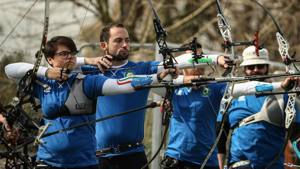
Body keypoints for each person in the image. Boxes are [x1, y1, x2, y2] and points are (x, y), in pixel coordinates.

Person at [5, 36, 176, 169]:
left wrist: (153, 78)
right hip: (48, 160)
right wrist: (46, 72)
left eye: (73, 53)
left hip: (84, 161)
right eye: (64, 54)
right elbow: (10, 70)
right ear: (50, 59)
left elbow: (120, 84)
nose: (70, 57)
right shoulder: (42, 83)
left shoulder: (88, 81)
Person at [82, 23, 232, 169]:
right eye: (118, 40)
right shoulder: (92, 71)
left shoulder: (142, 68)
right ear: (104, 45)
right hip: (100, 157)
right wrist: (88, 60)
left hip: (134, 156)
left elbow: (181, 61)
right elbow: (61, 66)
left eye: (127, 40)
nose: (125, 45)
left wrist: (215, 59)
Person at [217, 45, 300, 169]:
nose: (255, 70)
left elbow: (297, 134)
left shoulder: (283, 96)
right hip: (239, 163)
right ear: (244, 69)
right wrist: (219, 164)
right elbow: (221, 136)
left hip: (271, 165)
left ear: (267, 67)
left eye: (260, 66)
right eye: (250, 67)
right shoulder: (233, 96)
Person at [160, 42, 225, 169]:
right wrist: (185, 80)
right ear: (183, 65)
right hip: (177, 160)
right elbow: (156, 77)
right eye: (191, 60)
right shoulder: (172, 87)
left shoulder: (215, 87)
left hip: (206, 161)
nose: (197, 63)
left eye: (201, 58)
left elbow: (237, 88)